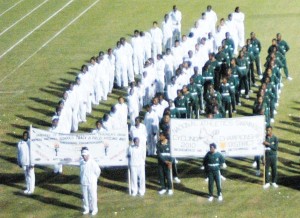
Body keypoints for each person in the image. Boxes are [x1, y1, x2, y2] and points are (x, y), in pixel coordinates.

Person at [80, 147, 101, 215]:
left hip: (92, 182)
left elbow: (98, 171)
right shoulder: (81, 162)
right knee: (85, 197)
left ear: (88, 155)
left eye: (85, 155)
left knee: (93, 196)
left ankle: (94, 209)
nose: (84, 157)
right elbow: (81, 172)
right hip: (84, 182)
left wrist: (94, 179)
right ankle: (86, 208)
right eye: (83, 156)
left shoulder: (93, 162)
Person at [17, 131, 35, 195]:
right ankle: (28, 188)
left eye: (26, 135)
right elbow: (18, 154)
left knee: (31, 175)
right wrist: (19, 162)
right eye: (24, 135)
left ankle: (31, 189)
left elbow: (33, 154)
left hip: (30, 162)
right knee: (26, 176)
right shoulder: (20, 143)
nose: (25, 136)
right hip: (24, 162)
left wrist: (32, 163)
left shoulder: (30, 143)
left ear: (28, 136)